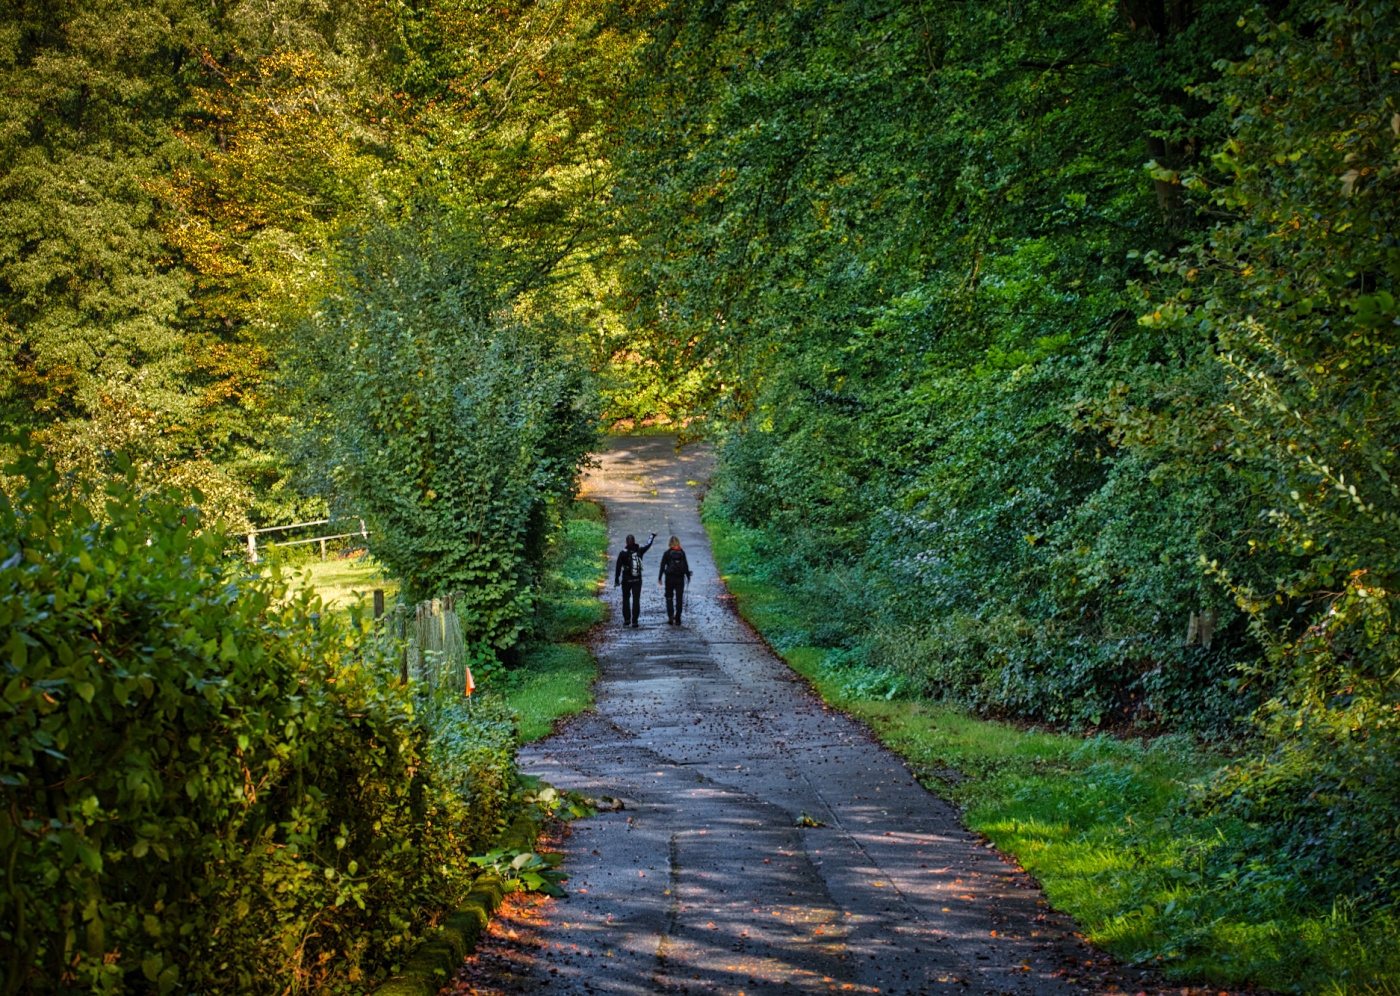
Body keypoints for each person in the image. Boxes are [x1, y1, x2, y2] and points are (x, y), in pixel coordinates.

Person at [613, 532, 655, 627]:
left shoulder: (623, 553)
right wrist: (652, 536)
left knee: (626, 599)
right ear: (634, 541)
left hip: (626, 580)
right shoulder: (639, 551)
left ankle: (627, 619)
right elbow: (648, 544)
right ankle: (635, 620)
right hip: (637, 579)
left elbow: (618, 567)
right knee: (636, 599)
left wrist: (616, 580)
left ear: (626, 542)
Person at [658, 535, 693, 625]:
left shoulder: (667, 553)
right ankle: (678, 618)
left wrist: (660, 577)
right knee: (679, 598)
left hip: (669, 578)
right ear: (678, 542)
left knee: (669, 597)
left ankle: (671, 615)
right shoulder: (682, 553)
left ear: (669, 543)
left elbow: (662, 566)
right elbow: (685, 565)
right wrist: (688, 576)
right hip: (680, 578)